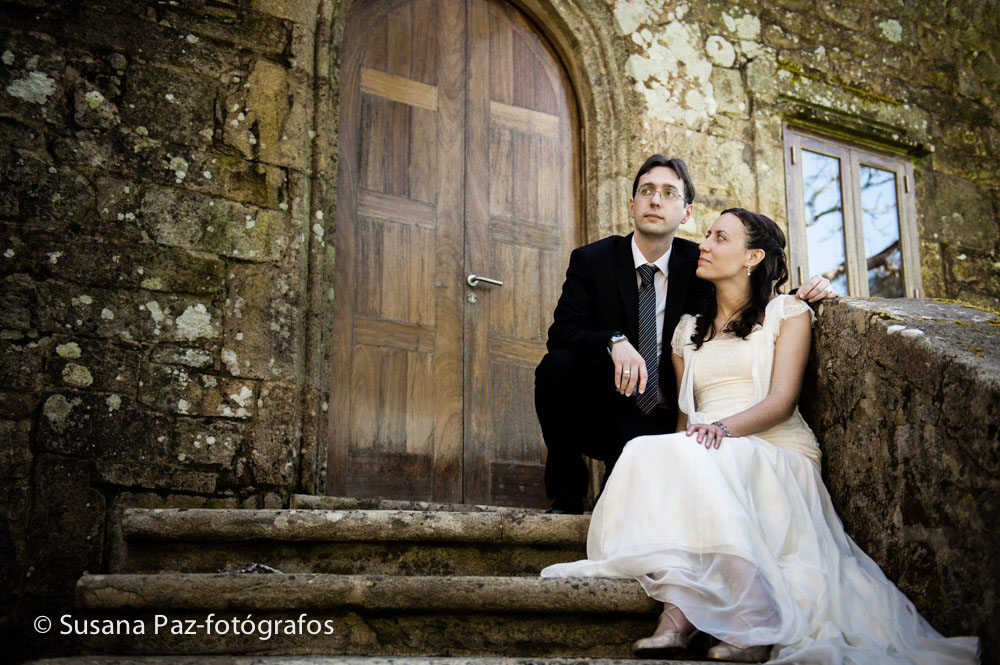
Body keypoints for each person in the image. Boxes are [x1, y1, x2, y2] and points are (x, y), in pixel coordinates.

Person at [540, 208, 980, 664]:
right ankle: (680, 611)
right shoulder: (687, 330)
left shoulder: (787, 313)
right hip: (707, 446)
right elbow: (685, 418)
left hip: (775, 448)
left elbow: (782, 401)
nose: (704, 245)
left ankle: (749, 617)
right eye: (707, 234)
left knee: (701, 454)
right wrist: (682, 449)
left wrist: (722, 430)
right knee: (651, 452)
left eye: (719, 238)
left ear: (752, 257)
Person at [535, 154, 834, 514]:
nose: (655, 200)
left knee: (620, 514)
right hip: (606, 403)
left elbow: (749, 293)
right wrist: (614, 341)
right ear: (632, 205)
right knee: (555, 365)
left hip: (665, 414)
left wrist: (810, 290)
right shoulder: (592, 259)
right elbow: (563, 332)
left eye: (668, 193)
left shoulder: (701, 263)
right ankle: (568, 494)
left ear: (686, 212)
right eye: (646, 191)